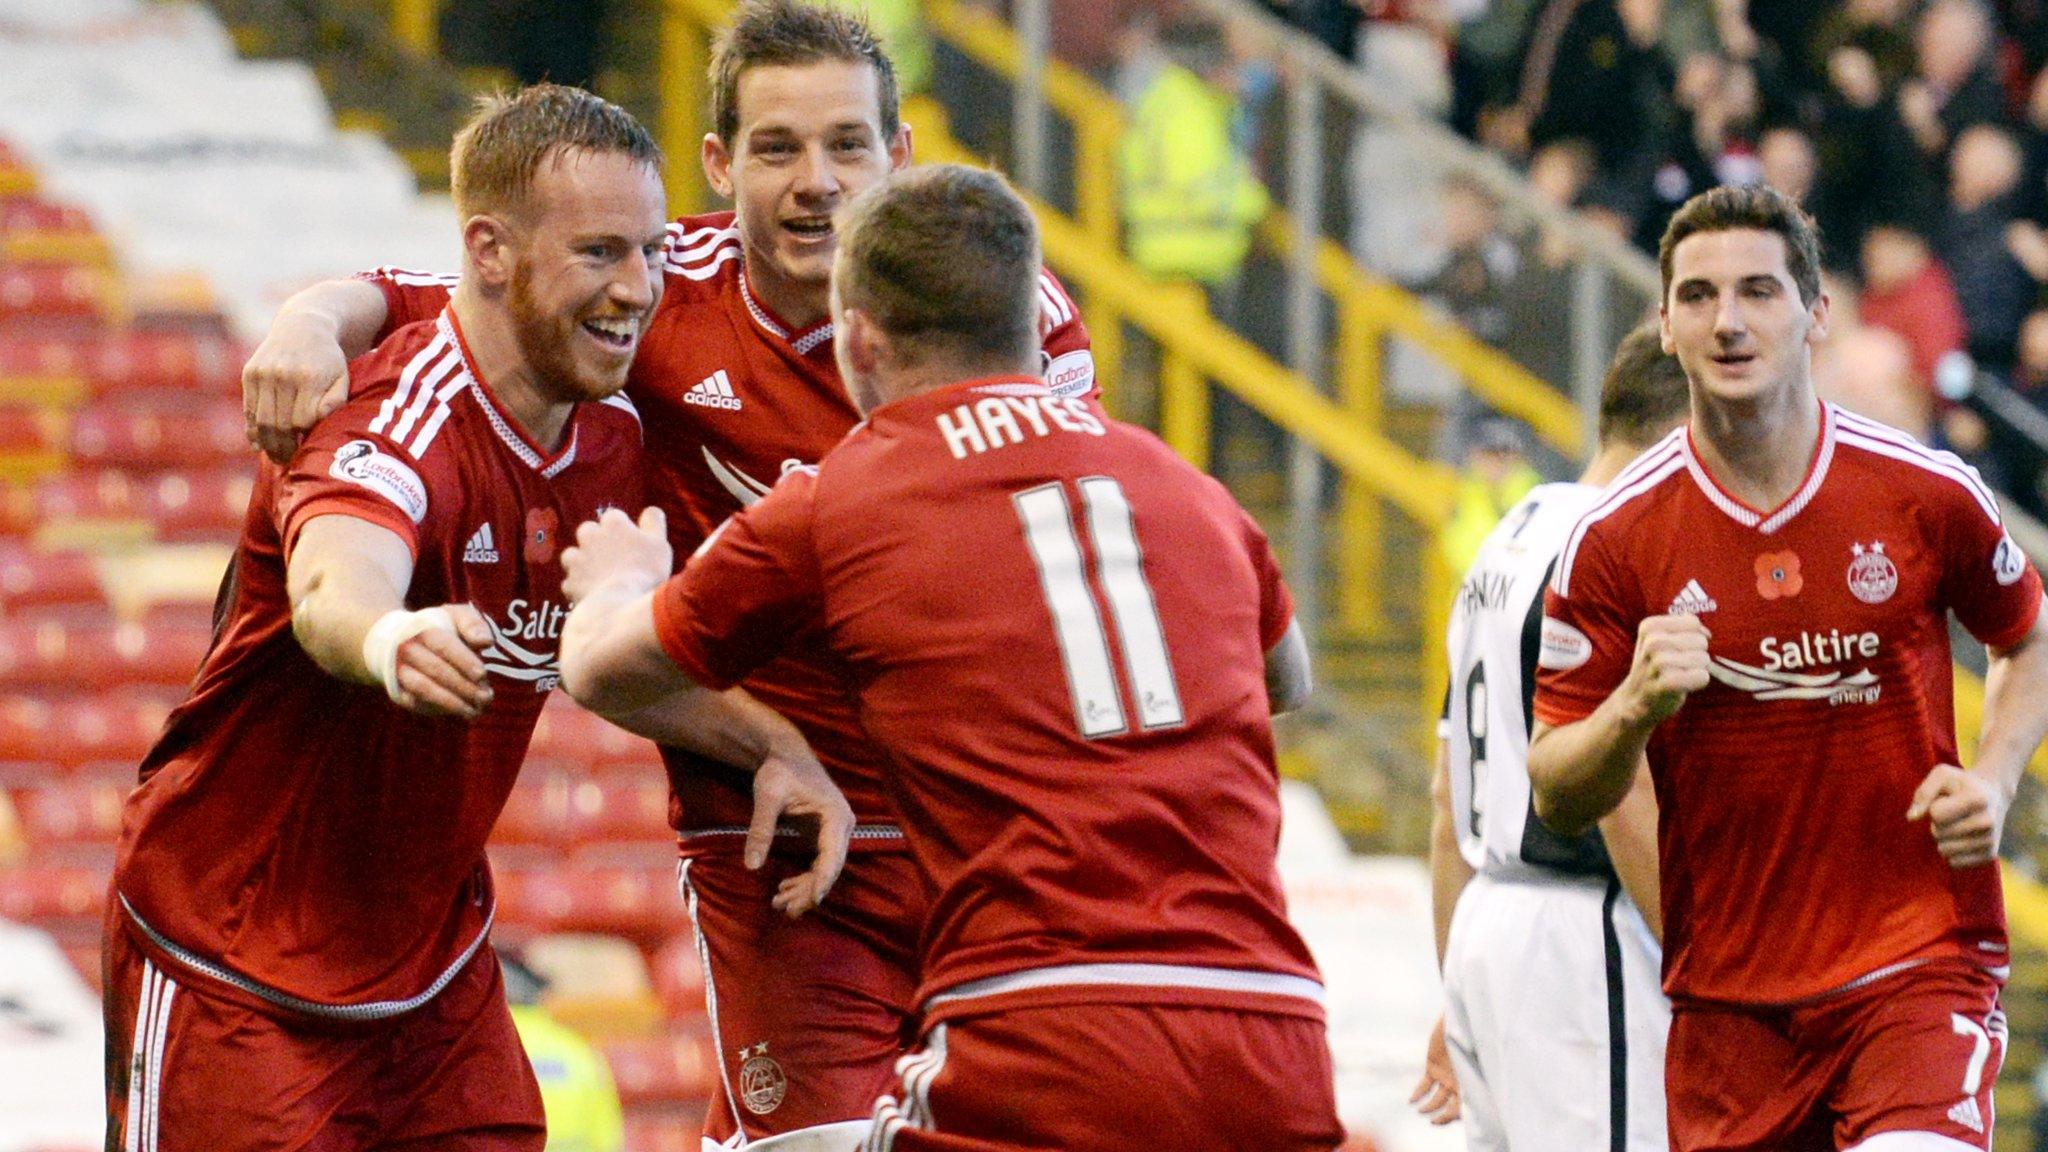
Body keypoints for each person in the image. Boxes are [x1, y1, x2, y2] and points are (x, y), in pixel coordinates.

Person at [237, 4, 1094, 1145]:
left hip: (977, 821)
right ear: (717, 163)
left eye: (847, 146)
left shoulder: (1008, 322)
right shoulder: (656, 289)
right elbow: (437, 297)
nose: (815, 183)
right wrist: (307, 319)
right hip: (773, 838)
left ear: (898, 158)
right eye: (776, 148)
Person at [103, 85, 850, 1152]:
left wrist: (773, 745)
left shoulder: (612, 436)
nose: (638, 290)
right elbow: (332, 586)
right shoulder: (399, 413)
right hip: (233, 963)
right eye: (599, 254)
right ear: (489, 253)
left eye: (647, 251)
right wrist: (386, 636)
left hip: (432, 978)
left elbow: (603, 664)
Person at [556, 163, 1343, 1152]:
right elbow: (1288, 677)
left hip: (1045, 1031)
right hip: (1275, 1033)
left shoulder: (845, 495)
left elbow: (601, 671)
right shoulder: (1188, 490)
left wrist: (621, 580)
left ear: (858, 340)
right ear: (1032, 323)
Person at [1529, 183, 2048, 1152]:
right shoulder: (1608, 538)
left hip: (1915, 969)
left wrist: (1992, 775)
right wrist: (1632, 709)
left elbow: (2028, 631)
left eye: (1758, 291)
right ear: (1664, 323)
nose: (1726, 321)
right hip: (1731, 1013)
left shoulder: (1921, 493)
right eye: (1697, 296)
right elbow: (1555, 786)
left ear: (1814, 315)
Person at [1412, 324, 1690, 1152]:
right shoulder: (1614, 550)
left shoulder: (1508, 537)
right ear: (1685, 434)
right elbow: (1621, 794)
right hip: (1586, 941)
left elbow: (1445, 798)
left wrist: (1457, 989)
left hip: (1493, 932)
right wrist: (1708, 979)